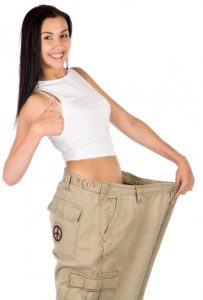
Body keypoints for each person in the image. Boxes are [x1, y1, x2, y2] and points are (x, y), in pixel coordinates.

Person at [2, 4, 194, 300]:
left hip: (118, 199)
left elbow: (127, 122)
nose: (59, 45)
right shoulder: (38, 100)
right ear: (33, 43)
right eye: (48, 38)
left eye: (64, 35)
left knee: (122, 291)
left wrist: (178, 158)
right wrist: (38, 130)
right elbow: (10, 175)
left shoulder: (79, 76)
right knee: (84, 290)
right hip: (86, 202)